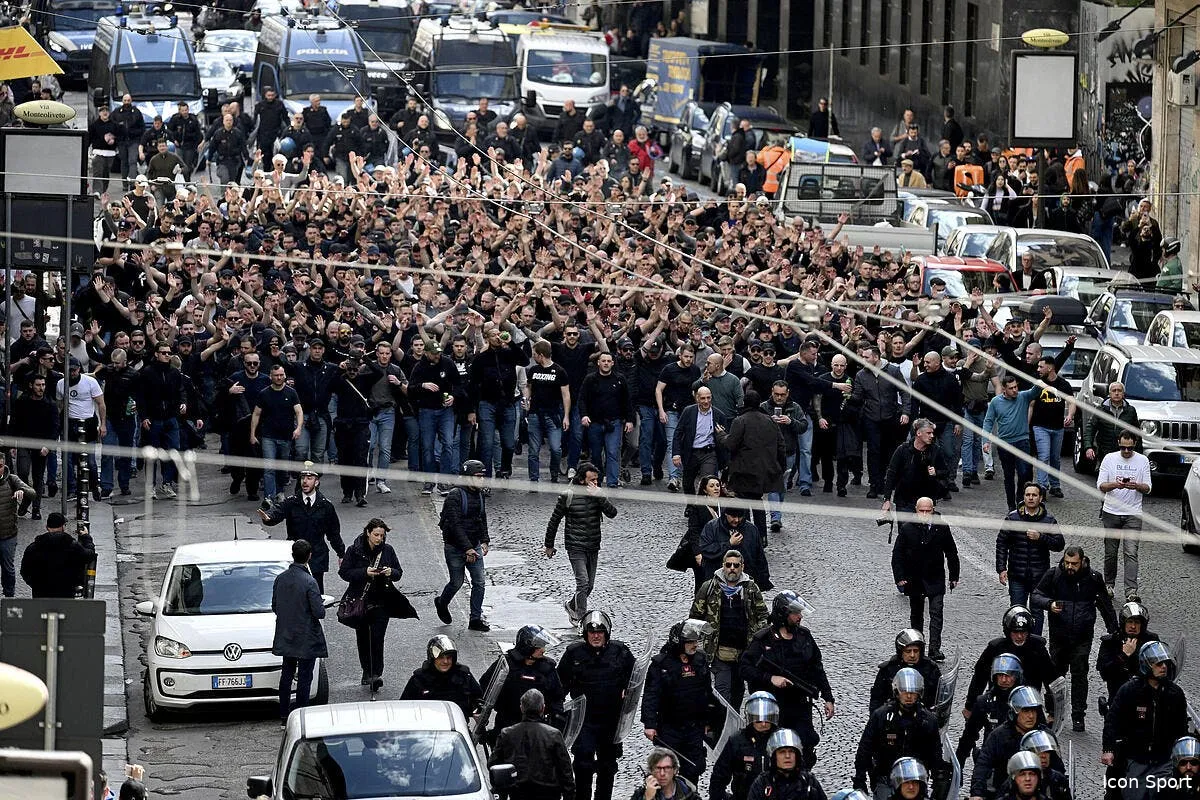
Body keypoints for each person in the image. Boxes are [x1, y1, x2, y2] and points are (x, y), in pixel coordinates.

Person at [740, 592, 834, 769]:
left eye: (800, 613)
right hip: (773, 707)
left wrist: (828, 697)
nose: (800, 617)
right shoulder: (763, 640)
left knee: (805, 746)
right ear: (783, 614)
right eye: (795, 613)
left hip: (800, 705)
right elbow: (744, 668)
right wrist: (770, 678)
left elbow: (817, 668)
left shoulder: (804, 637)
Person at [1030, 545, 1117, 732]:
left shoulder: (1093, 578)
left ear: (1082, 561)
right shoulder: (1054, 575)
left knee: (1079, 675)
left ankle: (1078, 715)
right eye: (1067, 563)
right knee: (1055, 675)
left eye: (1074, 564)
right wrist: (1049, 604)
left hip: (1082, 636)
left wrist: (1115, 631)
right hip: (1059, 635)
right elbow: (1035, 596)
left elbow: (1105, 606)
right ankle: (1053, 711)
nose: (1070, 567)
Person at [557, 611, 637, 800]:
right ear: (585, 634)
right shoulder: (573, 654)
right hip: (584, 721)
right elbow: (559, 685)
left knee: (607, 767)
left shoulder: (621, 652)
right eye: (592, 632)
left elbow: (635, 679)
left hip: (611, 721)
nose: (596, 636)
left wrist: (628, 692)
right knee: (583, 765)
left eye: (600, 632)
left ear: (606, 633)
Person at [1103, 642, 1189, 800]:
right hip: (1136, 758)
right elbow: (1112, 720)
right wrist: (1109, 749)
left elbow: (1181, 727)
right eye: (1159, 664)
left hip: (1164, 759)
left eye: (1166, 664)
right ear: (1147, 665)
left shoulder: (1175, 693)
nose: (1163, 667)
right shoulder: (1129, 691)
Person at [641, 619, 718, 784]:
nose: (694, 645)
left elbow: (707, 692)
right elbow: (651, 695)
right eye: (690, 642)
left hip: (694, 727)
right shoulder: (661, 664)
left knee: (694, 768)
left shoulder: (700, 660)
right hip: (669, 727)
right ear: (679, 643)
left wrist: (709, 720)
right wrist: (650, 724)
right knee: (667, 770)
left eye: (695, 641)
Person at [690, 549, 768, 707]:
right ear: (723, 566)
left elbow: (763, 615)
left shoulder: (751, 589)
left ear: (742, 567)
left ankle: (734, 723)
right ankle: (721, 725)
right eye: (729, 565)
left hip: (743, 651)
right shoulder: (709, 587)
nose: (732, 568)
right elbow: (695, 617)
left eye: (736, 565)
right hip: (719, 651)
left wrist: (758, 640)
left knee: (738, 690)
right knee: (722, 691)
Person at [338, 518, 408, 690]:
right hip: (360, 602)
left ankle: (376, 673)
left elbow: (399, 572)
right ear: (368, 533)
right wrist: (364, 572)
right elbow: (344, 572)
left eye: (382, 536)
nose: (379, 539)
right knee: (363, 639)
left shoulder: (388, 551)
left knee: (377, 638)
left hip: (382, 602)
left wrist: (391, 572)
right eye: (376, 535)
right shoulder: (354, 550)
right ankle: (366, 671)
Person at [854, 668, 946, 800]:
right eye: (905, 692)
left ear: (919, 693)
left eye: (912, 693)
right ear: (897, 692)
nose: (909, 697)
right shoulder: (881, 716)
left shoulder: (928, 720)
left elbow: (935, 752)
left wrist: (939, 777)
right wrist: (860, 778)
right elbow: (865, 748)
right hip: (886, 779)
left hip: (916, 783)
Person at [545, 463, 618, 624]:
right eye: (592, 480)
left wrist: (600, 496)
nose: (595, 483)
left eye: (597, 480)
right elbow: (554, 520)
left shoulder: (598, 494)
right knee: (583, 583)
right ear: (582, 480)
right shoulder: (568, 495)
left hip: (593, 545)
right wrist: (549, 545)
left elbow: (612, 513)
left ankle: (572, 605)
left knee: (589, 586)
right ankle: (581, 618)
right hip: (575, 546)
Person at [258, 462, 345, 592]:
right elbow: (277, 512)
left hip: (316, 556)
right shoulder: (292, 502)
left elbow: (333, 533)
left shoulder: (325, 505)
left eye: (309, 478)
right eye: (303, 478)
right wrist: (268, 517)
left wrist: (341, 553)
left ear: (316, 482)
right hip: (295, 557)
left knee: (316, 593)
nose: (305, 481)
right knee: (295, 593)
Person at [891, 497, 960, 661]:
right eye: (921, 511)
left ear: (933, 509)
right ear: (916, 510)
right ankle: (918, 646)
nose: (924, 514)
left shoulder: (941, 527)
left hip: (935, 577)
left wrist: (954, 576)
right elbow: (897, 554)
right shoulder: (908, 528)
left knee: (936, 613)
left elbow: (951, 552)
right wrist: (899, 577)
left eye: (927, 511)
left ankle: (935, 649)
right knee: (916, 615)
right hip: (914, 578)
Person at [271, 539, 327, 726]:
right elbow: (319, 612)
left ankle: (284, 715)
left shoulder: (281, 578)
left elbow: (275, 606)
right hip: (306, 636)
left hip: (286, 634)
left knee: (286, 674)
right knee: (305, 676)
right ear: (309, 556)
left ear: (293, 555)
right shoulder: (310, 581)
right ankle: (303, 715)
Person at [996, 484, 1064, 636]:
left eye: (1034, 495)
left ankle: (1035, 644)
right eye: (1028, 495)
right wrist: (1001, 568)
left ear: (1040, 498)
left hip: (1040, 577)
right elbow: (1002, 543)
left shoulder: (1048, 521)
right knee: (1016, 611)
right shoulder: (1012, 518)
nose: (1031, 498)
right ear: (1023, 497)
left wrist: (1041, 537)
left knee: (1037, 613)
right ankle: (1015, 642)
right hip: (1017, 575)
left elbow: (1059, 544)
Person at [718, 389, 786, 540]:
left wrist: (721, 435)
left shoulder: (740, 420)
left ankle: (747, 537)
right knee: (757, 502)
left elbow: (730, 444)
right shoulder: (770, 421)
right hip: (763, 471)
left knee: (743, 503)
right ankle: (761, 537)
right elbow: (781, 446)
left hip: (743, 470)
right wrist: (779, 467)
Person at [963, 608, 1055, 717]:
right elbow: (979, 677)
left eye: (1023, 632)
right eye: (1015, 632)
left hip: (1029, 705)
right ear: (1008, 631)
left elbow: (1051, 679)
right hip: (999, 706)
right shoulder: (995, 648)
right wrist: (970, 705)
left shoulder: (1037, 647)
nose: (1019, 636)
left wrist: (1052, 711)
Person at [482, 625, 566, 742]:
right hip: (507, 724)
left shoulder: (547, 668)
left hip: (537, 729)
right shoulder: (505, 665)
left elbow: (557, 697)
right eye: (539, 647)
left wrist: (557, 724)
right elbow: (485, 691)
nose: (543, 650)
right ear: (527, 647)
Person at [435, 460, 491, 632]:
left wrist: (484, 540)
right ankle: (441, 602)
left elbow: (481, 518)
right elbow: (454, 525)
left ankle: (475, 619)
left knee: (479, 582)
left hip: (473, 545)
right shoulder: (455, 495)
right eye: (478, 477)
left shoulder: (480, 495)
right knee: (456, 582)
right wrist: (467, 548)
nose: (481, 480)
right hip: (455, 548)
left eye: (483, 477)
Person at [488, 689, 575, 800]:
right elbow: (566, 772)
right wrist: (569, 796)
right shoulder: (553, 735)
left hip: (518, 794)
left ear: (521, 708)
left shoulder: (507, 734)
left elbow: (494, 765)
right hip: (548, 795)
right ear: (543, 708)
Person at [970, 687, 1054, 800]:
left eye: (1033, 711)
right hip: (1003, 791)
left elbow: (1057, 769)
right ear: (1014, 713)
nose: (1031, 716)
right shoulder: (999, 735)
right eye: (1025, 711)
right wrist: (977, 793)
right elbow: (983, 764)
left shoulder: (1045, 736)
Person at [1097, 430, 1150, 601]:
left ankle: (1131, 591)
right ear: (1118, 443)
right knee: (1111, 552)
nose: (1126, 451)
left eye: (1129, 448)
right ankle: (1109, 585)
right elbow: (1101, 486)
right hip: (1111, 512)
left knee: (1131, 552)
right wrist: (1116, 485)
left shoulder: (1143, 460)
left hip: (1133, 513)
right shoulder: (1109, 458)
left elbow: (1148, 487)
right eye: (1122, 448)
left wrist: (1137, 486)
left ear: (1134, 444)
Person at [853, 345, 910, 499]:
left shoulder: (892, 371)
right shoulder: (861, 375)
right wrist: (849, 395)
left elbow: (904, 392)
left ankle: (886, 481)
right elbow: (857, 397)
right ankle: (873, 484)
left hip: (890, 417)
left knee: (888, 451)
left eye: (866, 357)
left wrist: (905, 412)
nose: (863, 359)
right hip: (871, 418)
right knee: (873, 451)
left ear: (876, 357)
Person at [578, 352, 635, 488]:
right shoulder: (590, 379)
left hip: (614, 423)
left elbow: (627, 401)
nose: (606, 363)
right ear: (598, 362)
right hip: (594, 423)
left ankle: (612, 482)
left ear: (612, 363)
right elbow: (582, 399)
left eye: (609, 361)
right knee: (596, 454)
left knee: (612, 452)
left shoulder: (620, 379)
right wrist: (584, 415)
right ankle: (597, 480)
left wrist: (629, 420)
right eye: (603, 361)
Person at [982, 377, 1039, 511]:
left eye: (1016, 387)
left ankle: (1020, 499)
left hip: (1022, 441)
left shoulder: (1023, 397)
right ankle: (1011, 505)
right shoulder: (996, 402)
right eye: (1011, 388)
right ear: (1004, 389)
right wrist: (986, 441)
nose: (1015, 390)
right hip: (1005, 444)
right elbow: (988, 421)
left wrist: (1040, 379)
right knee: (1008, 476)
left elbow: (1036, 390)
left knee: (1024, 473)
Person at [957, 655, 1025, 766]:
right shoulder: (985, 702)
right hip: (992, 761)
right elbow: (969, 734)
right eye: (1000, 675)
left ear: (1016, 676)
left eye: (1008, 676)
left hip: (1021, 761)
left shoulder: (1027, 702)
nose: (1004, 680)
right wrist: (958, 764)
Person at [710, 691, 779, 800]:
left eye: (768, 718)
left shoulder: (782, 740)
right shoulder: (737, 741)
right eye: (759, 719)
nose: (763, 724)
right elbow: (719, 776)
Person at [250, 364, 303, 502]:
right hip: (268, 436)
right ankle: (269, 497)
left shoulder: (291, 393)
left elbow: (299, 411)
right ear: (270, 376)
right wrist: (252, 434)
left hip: (286, 436)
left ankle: (279, 491)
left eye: (281, 375)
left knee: (282, 468)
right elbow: (256, 414)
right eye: (276, 375)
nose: (279, 378)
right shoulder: (264, 393)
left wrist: (298, 428)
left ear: (284, 375)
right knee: (269, 468)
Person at [400, 635, 483, 717]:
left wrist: (476, 712)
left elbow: (478, 699)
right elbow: (403, 707)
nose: (445, 661)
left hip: (457, 725)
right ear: (432, 658)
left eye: (449, 657)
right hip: (426, 725)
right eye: (440, 657)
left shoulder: (463, 675)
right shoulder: (419, 678)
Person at [20, 512, 95, 598]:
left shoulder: (34, 547)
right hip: (67, 593)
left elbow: (25, 571)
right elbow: (89, 555)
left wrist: (37, 586)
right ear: (63, 527)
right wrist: (86, 537)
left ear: (47, 527)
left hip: (40, 594)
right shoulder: (72, 546)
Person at [673, 387, 731, 495]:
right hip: (691, 452)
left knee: (707, 481)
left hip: (709, 452)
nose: (706, 401)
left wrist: (725, 461)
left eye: (708, 398)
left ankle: (704, 508)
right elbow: (678, 433)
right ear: (697, 398)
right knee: (687, 483)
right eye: (703, 398)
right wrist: (676, 454)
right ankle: (691, 508)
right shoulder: (688, 411)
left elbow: (724, 439)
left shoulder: (719, 415)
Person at [1096, 601, 1159, 703]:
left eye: (1137, 622)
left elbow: (1161, 666)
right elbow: (1105, 673)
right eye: (1130, 622)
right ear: (1123, 622)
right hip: (1119, 697)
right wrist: (1124, 655)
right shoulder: (1111, 642)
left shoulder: (1151, 640)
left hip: (1147, 697)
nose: (1133, 626)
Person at [881, 419, 948, 515]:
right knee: (905, 529)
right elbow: (891, 474)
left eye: (932, 433)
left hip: (925, 502)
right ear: (918, 433)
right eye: (928, 433)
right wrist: (886, 499)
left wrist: (936, 472)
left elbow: (946, 472)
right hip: (904, 500)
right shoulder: (903, 450)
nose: (932, 436)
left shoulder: (935, 451)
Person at [1028, 358, 1074, 497]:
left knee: (1055, 458)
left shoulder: (1063, 384)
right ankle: (1042, 486)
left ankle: (1055, 485)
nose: (1038, 369)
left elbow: (1071, 402)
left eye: (1041, 367)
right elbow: (1031, 404)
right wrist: (1027, 425)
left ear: (1050, 368)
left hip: (1058, 427)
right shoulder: (1038, 384)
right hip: (1040, 426)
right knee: (1044, 456)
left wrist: (1070, 415)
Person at [699, 507, 771, 592]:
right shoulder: (712, 527)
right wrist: (729, 544)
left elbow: (759, 556)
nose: (736, 520)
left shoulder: (751, 529)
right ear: (726, 514)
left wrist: (763, 580)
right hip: (718, 585)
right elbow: (706, 550)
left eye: (740, 517)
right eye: (733, 517)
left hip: (745, 584)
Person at [869, 629, 942, 713]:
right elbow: (877, 698)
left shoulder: (930, 668)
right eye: (908, 651)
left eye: (916, 651)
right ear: (901, 652)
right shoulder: (888, 669)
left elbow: (939, 697)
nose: (912, 655)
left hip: (923, 717)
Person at [745, 729, 827, 800]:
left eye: (791, 751)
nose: (787, 756)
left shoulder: (809, 781)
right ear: (774, 757)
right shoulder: (762, 783)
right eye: (782, 752)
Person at [1081, 381, 1139, 469]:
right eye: (1114, 390)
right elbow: (1090, 428)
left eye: (1119, 391)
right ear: (1109, 393)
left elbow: (1137, 432)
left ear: (1123, 394)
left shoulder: (1131, 411)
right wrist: (1088, 447)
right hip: (1104, 452)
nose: (1116, 393)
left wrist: (1138, 453)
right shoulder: (1100, 410)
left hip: (1124, 452)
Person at [0, 455, 33, 597]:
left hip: (8, 535)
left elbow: (32, 493)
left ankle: (9, 596)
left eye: (0, 466)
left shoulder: (12, 479)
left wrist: (22, 491)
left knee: (8, 568)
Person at [635, 748, 699, 800]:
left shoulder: (689, 793)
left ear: (675, 770)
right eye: (658, 768)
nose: (662, 773)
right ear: (651, 771)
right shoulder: (640, 794)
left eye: (667, 768)